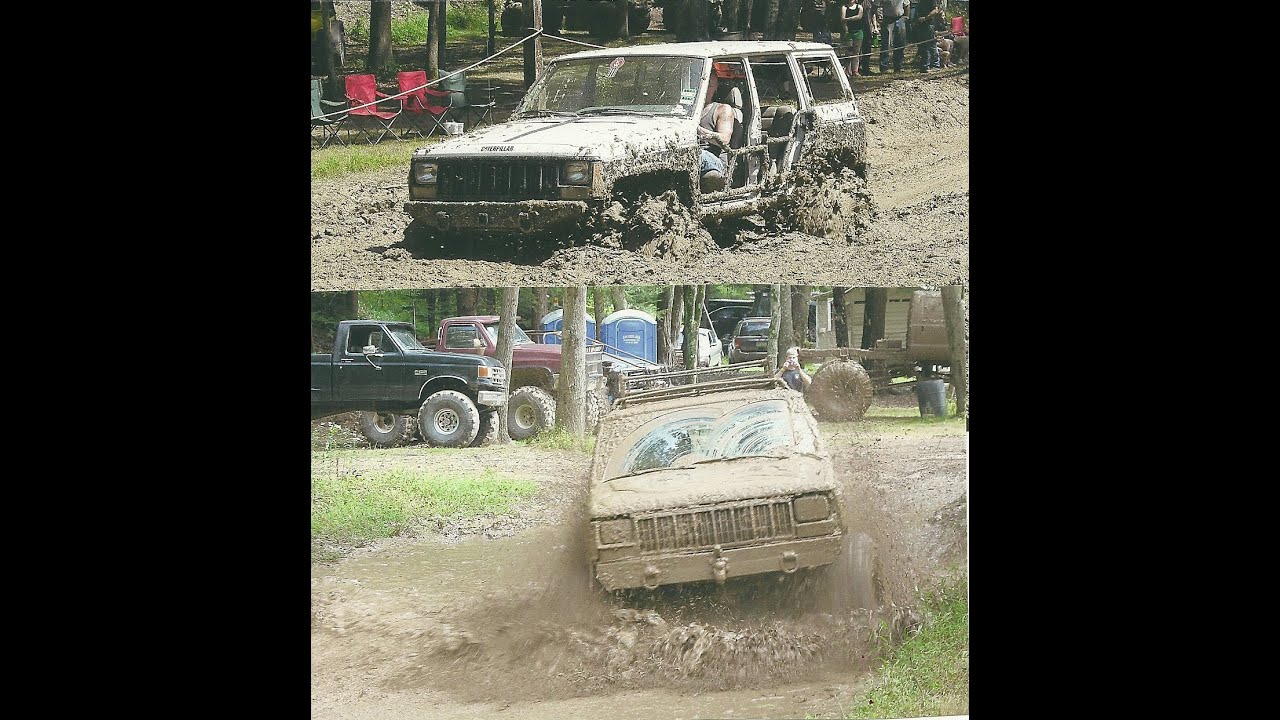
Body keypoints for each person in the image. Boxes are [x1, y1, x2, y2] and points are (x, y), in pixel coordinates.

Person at [698, 69, 735, 192]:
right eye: (701, 84)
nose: (704, 89)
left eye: (709, 85)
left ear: (716, 88)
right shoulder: (683, 110)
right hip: (693, 155)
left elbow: (724, 139)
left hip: (715, 162)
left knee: (696, 154)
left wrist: (698, 131)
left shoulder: (723, 109)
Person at [877, 0, 910, 74]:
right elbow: (877, 5)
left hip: (900, 19)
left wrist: (906, 16)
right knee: (886, 44)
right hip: (887, 19)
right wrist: (879, 17)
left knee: (900, 43)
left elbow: (907, 4)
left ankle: (898, 66)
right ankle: (884, 67)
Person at [841, 0, 867, 77]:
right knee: (848, 52)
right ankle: (847, 70)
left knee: (856, 52)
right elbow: (842, 19)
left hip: (858, 32)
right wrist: (846, 30)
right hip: (848, 32)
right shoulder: (844, 7)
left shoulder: (859, 7)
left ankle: (855, 70)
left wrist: (848, 19)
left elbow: (859, 16)